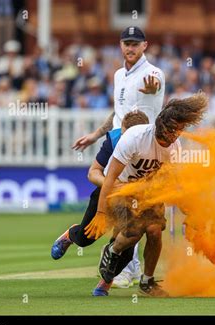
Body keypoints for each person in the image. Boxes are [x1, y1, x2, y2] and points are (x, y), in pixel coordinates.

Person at [84, 93, 208, 297]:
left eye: (180, 130)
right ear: (163, 128)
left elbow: (172, 184)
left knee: (154, 230)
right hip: (122, 187)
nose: (178, 135)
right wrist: (101, 212)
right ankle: (113, 251)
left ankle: (147, 281)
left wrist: (190, 212)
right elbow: (109, 178)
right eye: (174, 130)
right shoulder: (134, 138)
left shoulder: (174, 146)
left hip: (148, 189)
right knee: (134, 233)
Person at [71, 26, 165, 287]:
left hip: (145, 148)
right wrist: (95, 134)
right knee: (124, 206)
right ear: (121, 45)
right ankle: (126, 267)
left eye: (136, 43)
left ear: (145, 45)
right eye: (126, 43)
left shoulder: (153, 73)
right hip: (118, 143)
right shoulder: (118, 75)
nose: (130, 48)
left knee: (142, 217)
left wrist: (152, 89)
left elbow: (154, 86)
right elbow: (117, 114)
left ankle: (128, 269)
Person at [51, 111, 149, 290]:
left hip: (134, 200)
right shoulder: (113, 139)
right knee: (86, 238)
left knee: (126, 248)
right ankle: (71, 235)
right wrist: (114, 185)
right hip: (107, 194)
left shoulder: (151, 145)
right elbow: (93, 173)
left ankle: (106, 282)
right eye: (125, 134)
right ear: (123, 129)